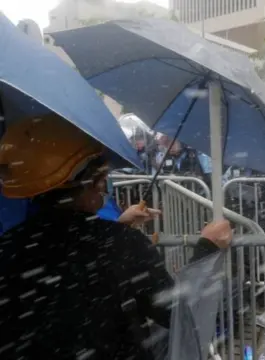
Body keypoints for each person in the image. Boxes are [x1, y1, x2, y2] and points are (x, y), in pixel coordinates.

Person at [0, 114, 233, 359]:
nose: (104, 183)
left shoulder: (8, 247)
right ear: (92, 180)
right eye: (101, 175)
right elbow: (177, 315)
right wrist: (207, 247)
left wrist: (118, 227)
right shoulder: (120, 245)